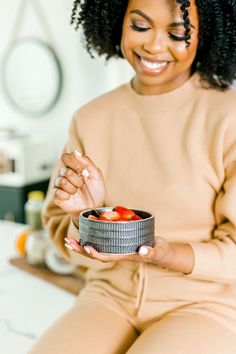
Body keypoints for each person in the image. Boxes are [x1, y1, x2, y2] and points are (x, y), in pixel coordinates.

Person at [29, 0, 236, 353]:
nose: (153, 46)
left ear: (208, 35)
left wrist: (166, 253)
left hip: (207, 303)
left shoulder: (228, 118)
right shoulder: (90, 119)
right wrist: (85, 218)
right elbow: (64, 243)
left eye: (177, 33)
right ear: (116, 22)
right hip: (108, 297)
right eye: (140, 27)